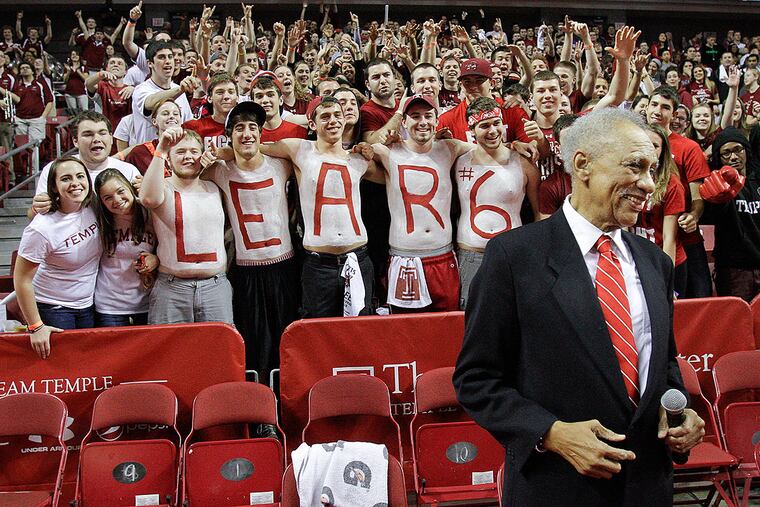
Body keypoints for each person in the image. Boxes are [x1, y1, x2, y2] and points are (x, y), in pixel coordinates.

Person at [454, 108, 705, 506]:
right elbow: (476, 379)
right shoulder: (515, 256)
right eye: (635, 167)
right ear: (583, 164)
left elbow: (664, 367)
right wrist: (549, 432)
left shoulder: (655, 261)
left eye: (652, 171)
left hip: (647, 488)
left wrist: (678, 415)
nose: (647, 184)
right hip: (558, 488)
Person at [203, 101, 299, 379]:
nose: (246, 134)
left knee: (287, 340)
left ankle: (287, 401)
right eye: (239, 128)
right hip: (245, 271)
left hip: (283, 267)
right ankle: (259, 409)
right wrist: (209, 158)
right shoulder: (220, 170)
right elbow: (183, 177)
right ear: (229, 136)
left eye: (253, 127)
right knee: (254, 345)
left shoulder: (281, 165)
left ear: (260, 134)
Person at [371, 95, 473, 312]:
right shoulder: (388, 151)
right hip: (404, 257)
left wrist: (518, 145)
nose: (423, 121)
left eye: (428, 116)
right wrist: (382, 139)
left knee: (446, 332)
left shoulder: (449, 148)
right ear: (404, 122)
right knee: (407, 336)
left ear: (437, 120)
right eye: (415, 116)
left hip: (443, 256)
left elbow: (487, 148)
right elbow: (359, 148)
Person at [139, 127, 232, 324]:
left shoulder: (214, 187)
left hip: (215, 286)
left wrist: (217, 156)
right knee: (169, 352)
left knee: (218, 350)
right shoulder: (163, 186)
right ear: (169, 159)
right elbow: (148, 198)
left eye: (194, 151)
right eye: (180, 152)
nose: (188, 157)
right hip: (172, 288)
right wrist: (161, 149)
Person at [456, 97, 540, 308]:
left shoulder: (523, 162)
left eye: (496, 123)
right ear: (472, 130)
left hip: (512, 254)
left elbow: (539, 214)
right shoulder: (458, 160)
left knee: (513, 319)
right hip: (471, 255)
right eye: (484, 125)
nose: (492, 131)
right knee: (471, 318)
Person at [14, 157, 101, 359]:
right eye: (66, 179)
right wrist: (36, 326)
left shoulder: (92, 206)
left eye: (80, 176)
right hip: (54, 308)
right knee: (67, 367)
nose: (75, 183)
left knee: (87, 365)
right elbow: (22, 279)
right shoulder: (41, 228)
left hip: (88, 305)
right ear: (53, 186)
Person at [31, 111, 142, 217]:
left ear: (111, 138)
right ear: (75, 141)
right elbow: (33, 216)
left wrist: (145, 193)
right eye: (88, 134)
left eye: (102, 133)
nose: (96, 139)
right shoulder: (56, 169)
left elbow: (142, 214)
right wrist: (38, 208)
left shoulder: (128, 170)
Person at [701, 127, 760, 301]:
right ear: (719, 158)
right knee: (739, 323)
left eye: (737, 150)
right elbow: (711, 217)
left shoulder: (757, 180)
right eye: (726, 153)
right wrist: (720, 199)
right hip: (734, 269)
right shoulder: (714, 184)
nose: (733, 157)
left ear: (746, 151)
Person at [93, 169, 158, 326]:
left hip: (147, 301)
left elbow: (169, 245)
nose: (116, 200)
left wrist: (156, 260)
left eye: (120, 191)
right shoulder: (100, 219)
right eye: (108, 198)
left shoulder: (150, 211)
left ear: (130, 187)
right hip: (110, 306)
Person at [635, 125, 688, 297]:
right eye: (645, 143)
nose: (649, 149)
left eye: (655, 146)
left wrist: (667, 279)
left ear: (663, 151)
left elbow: (669, 238)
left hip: (666, 261)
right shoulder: (627, 178)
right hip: (638, 261)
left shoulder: (672, 185)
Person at [124, 99, 180, 174]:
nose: (171, 116)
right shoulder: (140, 152)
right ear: (154, 121)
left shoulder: (190, 147)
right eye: (165, 114)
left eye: (176, 114)